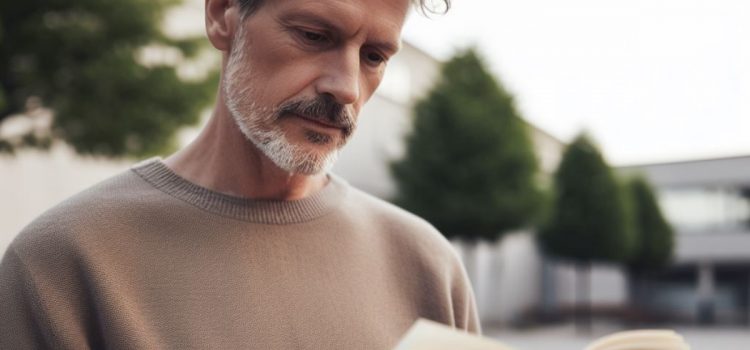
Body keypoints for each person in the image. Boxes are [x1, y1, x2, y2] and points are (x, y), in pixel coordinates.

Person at [0, 0, 480, 348]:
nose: (347, 87)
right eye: (314, 36)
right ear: (222, 15)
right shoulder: (64, 262)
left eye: (374, 56)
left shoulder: (428, 267)